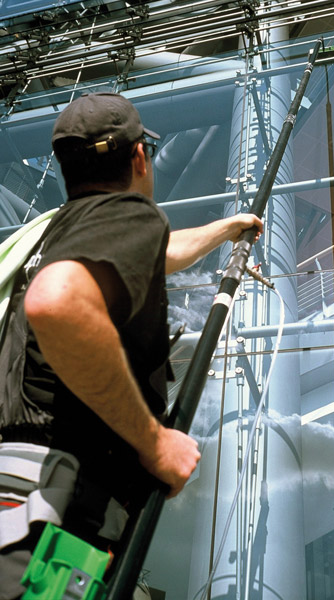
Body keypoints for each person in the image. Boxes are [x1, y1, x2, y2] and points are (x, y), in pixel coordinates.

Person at [0, 92, 263, 599]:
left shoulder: (55, 232)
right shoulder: (127, 213)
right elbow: (57, 301)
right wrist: (155, 442)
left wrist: (226, 229)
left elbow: (154, 254)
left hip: (20, 482)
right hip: (60, 498)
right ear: (140, 157)